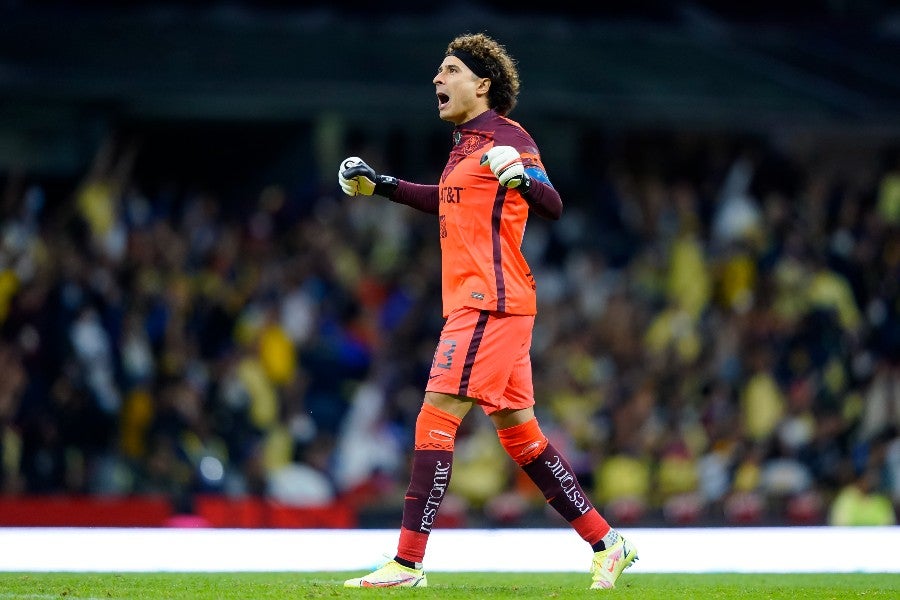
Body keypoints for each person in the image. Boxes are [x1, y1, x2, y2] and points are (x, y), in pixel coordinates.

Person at [337, 31, 638, 590]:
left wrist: (523, 177)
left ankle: (407, 562)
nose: (437, 79)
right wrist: (382, 186)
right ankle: (608, 541)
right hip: (490, 303)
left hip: (489, 304)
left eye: (449, 70)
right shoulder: (465, 144)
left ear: (483, 83)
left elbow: (551, 203)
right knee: (522, 438)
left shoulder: (507, 137)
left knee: (434, 418)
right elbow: (446, 198)